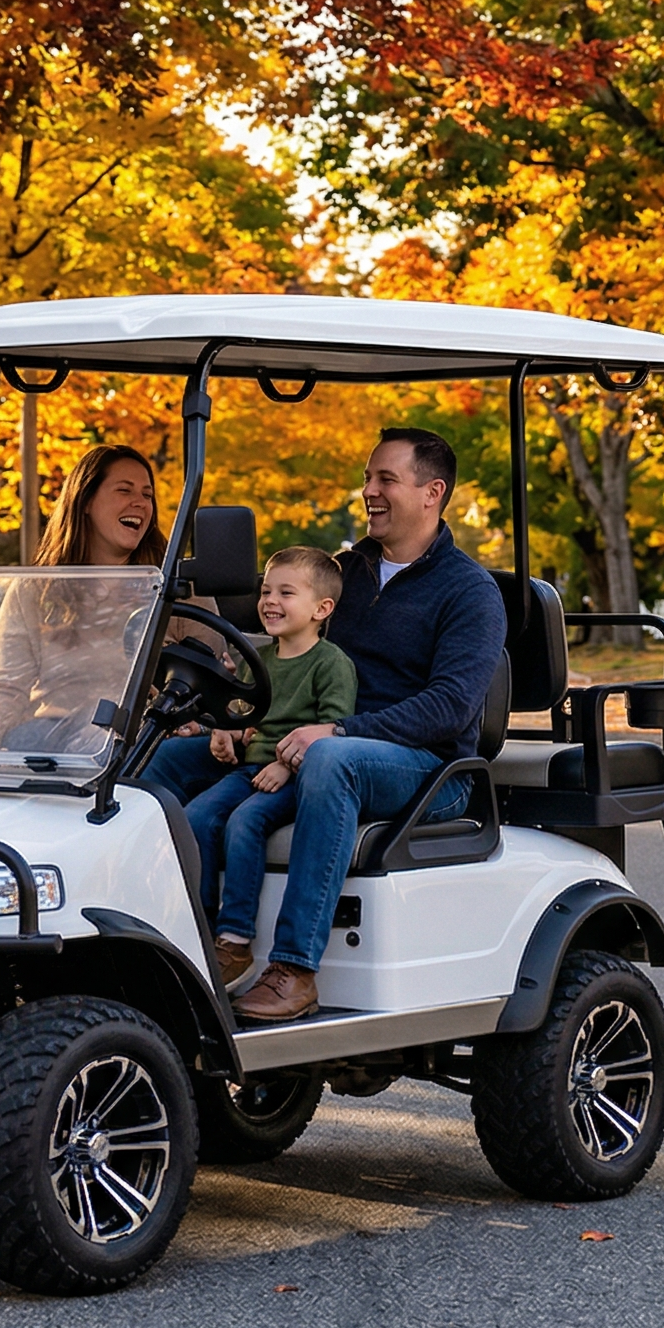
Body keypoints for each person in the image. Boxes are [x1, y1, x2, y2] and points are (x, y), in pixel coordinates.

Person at [151, 428, 507, 1022]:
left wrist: (337, 733)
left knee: (329, 761)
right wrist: (230, 723)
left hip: (427, 769)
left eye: (385, 479)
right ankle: (168, 936)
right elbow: (290, 660)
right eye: (369, 478)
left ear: (431, 492)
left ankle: (294, 968)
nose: (368, 491)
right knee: (165, 757)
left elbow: (450, 708)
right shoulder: (342, 573)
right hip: (317, 746)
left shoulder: (470, 591)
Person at [154, 548, 358, 988]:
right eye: (266, 591)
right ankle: (198, 927)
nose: (270, 601)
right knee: (197, 816)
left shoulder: (331, 665)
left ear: (322, 609)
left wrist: (286, 766)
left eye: (286, 592)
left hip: (298, 777)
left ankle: (236, 938)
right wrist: (224, 733)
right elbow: (239, 714)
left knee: (244, 821)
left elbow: (329, 733)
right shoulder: (258, 659)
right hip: (252, 770)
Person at [0, 444, 169, 751]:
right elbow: (9, 684)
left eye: (147, 495)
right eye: (124, 491)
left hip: (139, 738)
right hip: (51, 736)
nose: (140, 503)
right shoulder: (34, 590)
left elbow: (211, 672)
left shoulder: (172, 585)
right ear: (85, 500)